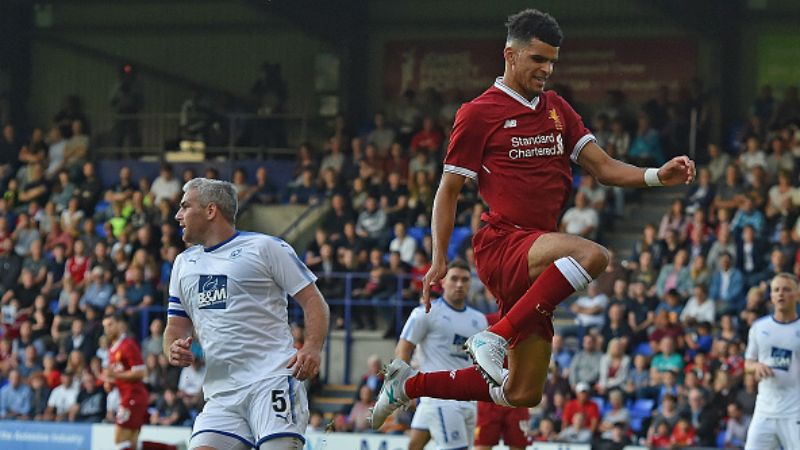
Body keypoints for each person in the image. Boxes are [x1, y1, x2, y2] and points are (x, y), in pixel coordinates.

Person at [369, 8, 695, 429]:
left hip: (538, 251)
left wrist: (656, 176)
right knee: (594, 255)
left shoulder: (557, 108)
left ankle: (407, 386)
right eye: (538, 59)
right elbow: (447, 191)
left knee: (523, 391)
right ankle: (495, 335)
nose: (547, 70)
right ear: (510, 54)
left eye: (552, 61)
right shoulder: (478, 113)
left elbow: (605, 168)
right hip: (503, 243)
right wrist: (438, 258)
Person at [164, 178, 329, 450]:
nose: (177, 215)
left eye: (185, 206)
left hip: (271, 380)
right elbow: (175, 326)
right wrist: (172, 347)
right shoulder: (184, 264)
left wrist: (312, 346)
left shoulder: (265, 248)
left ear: (210, 210)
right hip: (221, 394)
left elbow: (313, 300)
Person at [392, 260, 488, 450]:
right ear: (443, 282)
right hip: (440, 400)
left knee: (415, 446)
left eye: (465, 279)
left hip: (468, 400)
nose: (459, 284)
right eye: (454, 279)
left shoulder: (479, 320)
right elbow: (403, 348)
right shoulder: (425, 312)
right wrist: (404, 386)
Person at [743, 273, 800, 449]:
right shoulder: (759, 328)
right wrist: (756, 367)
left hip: (794, 412)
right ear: (772, 297)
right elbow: (748, 363)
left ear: (797, 295)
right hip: (764, 411)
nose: (781, 293)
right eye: (776, 290)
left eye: (786, 289)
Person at [102, 313, 148, 450]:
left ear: (120, 325)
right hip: (128, 396)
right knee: (132, 442)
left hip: (134, 396)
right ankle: (173, 448)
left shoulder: (128, 345)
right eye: (105, 326)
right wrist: (110, 382)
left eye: (110, 325)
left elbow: (141, 373)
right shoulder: (112, 349)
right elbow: (118, 374)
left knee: (120, 439)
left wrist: (115, 375)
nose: (107, 329)